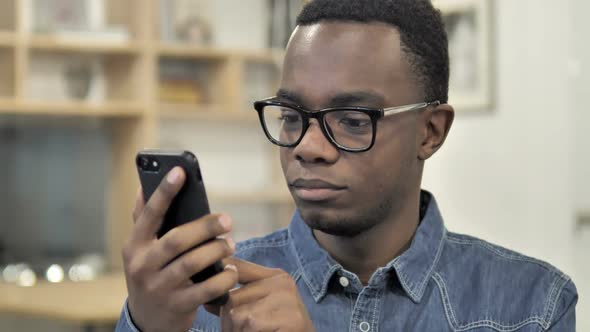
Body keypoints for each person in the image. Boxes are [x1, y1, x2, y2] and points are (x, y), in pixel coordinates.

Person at [116, 0, 578, 331]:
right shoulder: (197, 304)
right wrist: (146, 325)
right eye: (293, 118)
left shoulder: (532, 305)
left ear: (431, 132)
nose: (309, 147)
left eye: (353, 121)